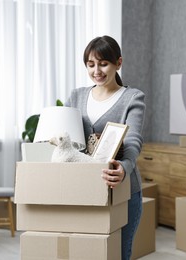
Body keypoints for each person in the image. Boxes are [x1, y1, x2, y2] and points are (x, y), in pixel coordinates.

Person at [65, 35, 146, 260]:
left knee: (119, 253)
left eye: (103, 63)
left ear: (118, 63)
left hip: (123, 188)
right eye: (91, 65)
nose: (96, 70)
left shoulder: (132, 98)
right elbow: (68, 138)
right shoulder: (77, 96)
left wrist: (123, 168)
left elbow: (133, 141)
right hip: (85, 188)